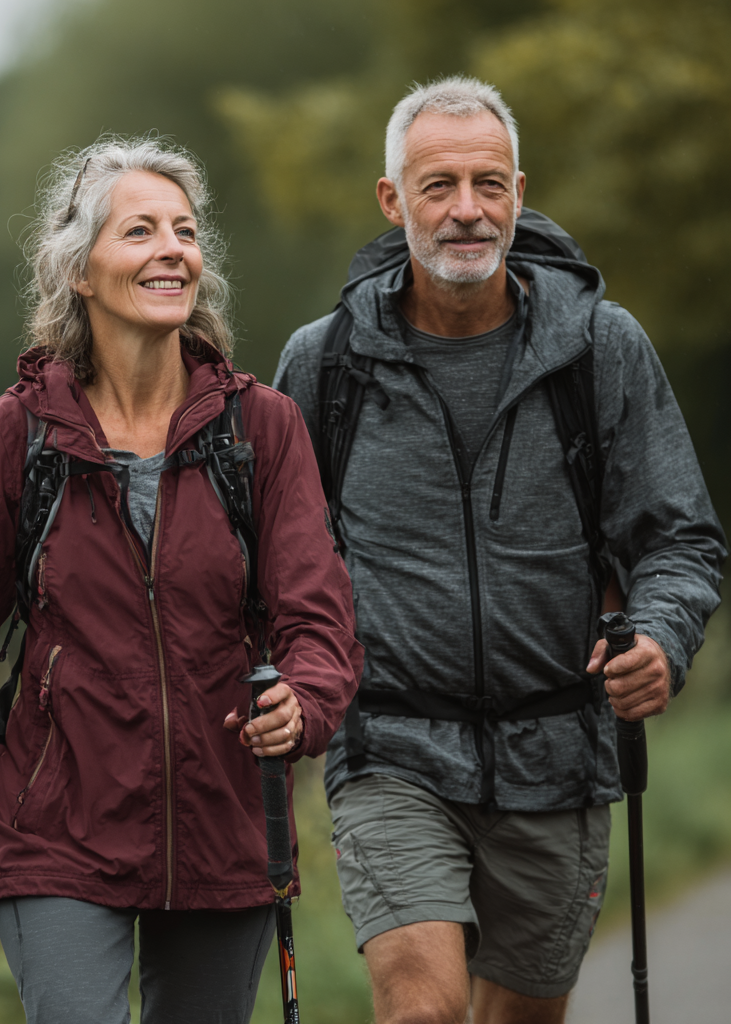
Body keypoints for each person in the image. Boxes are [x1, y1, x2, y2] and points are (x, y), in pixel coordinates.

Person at [0, 136, 362, 1024]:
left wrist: (305, 700)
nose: (172, 248)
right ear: (81, 273)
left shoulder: (262, 431)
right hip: (54, 827)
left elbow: (318, 625)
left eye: (185, 231)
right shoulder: (16, 436)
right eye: (140, 231)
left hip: (225, 819)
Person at [274, 77, 726, 1024]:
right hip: (389, 747)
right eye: (438, 186)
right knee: (423, 1009)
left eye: (488, 183)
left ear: (520, 192)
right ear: (393, 201)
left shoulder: (600, 349)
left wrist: (659, 638)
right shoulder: (324, 365)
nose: (467, 211)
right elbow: (273, 563)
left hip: (558, 751)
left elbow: (679, 538)